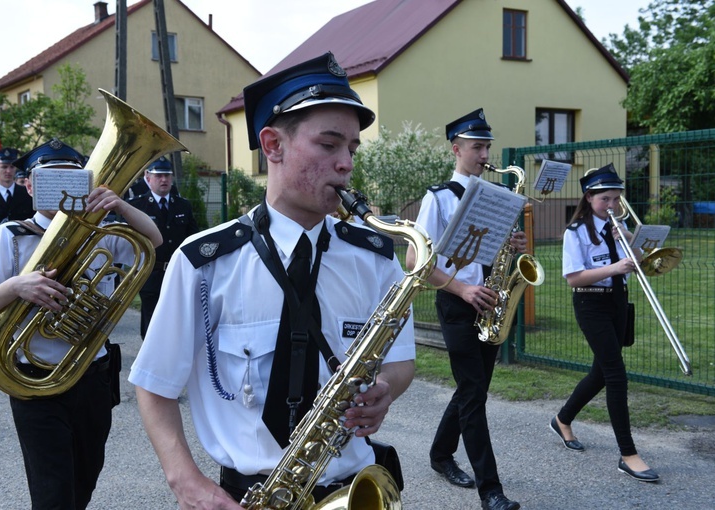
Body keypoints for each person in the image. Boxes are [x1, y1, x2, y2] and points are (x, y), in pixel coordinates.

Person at [129, 51, 416, 508]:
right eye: (328, 144)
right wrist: (184, 480)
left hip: (352, 489)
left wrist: (385, 389)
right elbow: (154, 383)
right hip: (252, 496)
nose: (346, 163)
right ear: (272, 145)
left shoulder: (376, 257)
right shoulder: (204, 262)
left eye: (352, 148)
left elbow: (400, 362)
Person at [0, 138, 163, 509]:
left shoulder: (105, 234)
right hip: (35, 380)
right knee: (52, 492)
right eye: (48, 179)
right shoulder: (8, 237)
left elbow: (154, 239)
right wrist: (17, 286)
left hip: (93, 376)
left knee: (85, 478)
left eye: (72, 178)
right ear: (30, 186)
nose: (61, 185)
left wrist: (120, 204)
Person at [406, 108, 524, 510]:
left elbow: (496, 252)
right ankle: (491, 491)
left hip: (490, 301)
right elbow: (413, 259)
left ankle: (440, 454)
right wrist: (461, 289)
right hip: (457, 303)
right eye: (477, 146)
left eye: (487, 145)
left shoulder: (495, 197)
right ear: (456, 149)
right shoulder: (437, 198)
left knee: (474, 388)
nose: (485, 153)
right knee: (474, 392)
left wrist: (516, 247)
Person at [550, 163, 659, 482]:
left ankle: (562, 419)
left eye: (616, 199)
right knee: (615, 374)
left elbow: (639, 262)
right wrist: (614, 268)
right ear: (589, 197)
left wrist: (629, 239)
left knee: (601, 371)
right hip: (590, 302)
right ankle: (628, 454)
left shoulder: (619, 226)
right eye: (605, 199)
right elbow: (573, 277)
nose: (612, 205)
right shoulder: (576, 232)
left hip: (618, 302)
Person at [126, 156, 199, 338]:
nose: (164, 180)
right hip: (151, 273)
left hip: (178, 273)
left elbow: (192, 239)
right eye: (159, 176)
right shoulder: (136, 206)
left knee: (178, 321)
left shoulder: (183, 205)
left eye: (167, 175)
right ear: (148, 177)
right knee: (151, 324)